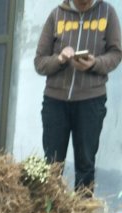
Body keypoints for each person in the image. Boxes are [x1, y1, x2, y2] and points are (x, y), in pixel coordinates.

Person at [34, 0, 122, 191]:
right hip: (55, 102)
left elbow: (116, 53)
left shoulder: (108, 13)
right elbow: (39, 62)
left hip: (91, 102)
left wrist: (95, 63)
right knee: (52, 165)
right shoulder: (57, 15)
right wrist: (60, 59)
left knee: (85, 165)